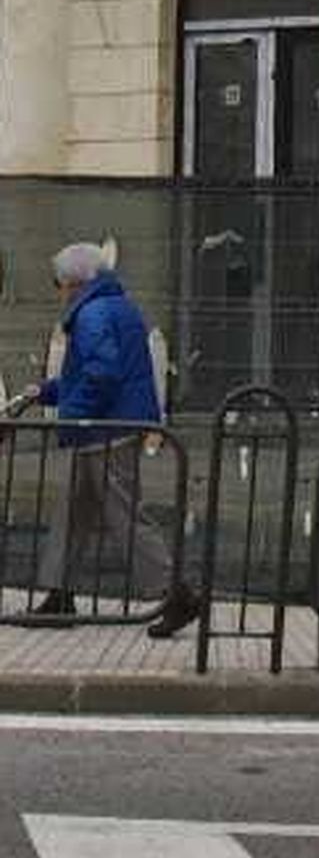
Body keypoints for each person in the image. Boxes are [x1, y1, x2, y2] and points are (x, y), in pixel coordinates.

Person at [17, 244, 200, 641]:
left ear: (74, 281)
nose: (58, 291)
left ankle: (175, 594)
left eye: (58, 282)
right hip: (105, 426)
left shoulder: (92, 313)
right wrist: (48, 391)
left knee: (124, 516)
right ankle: (59, 595)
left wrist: (70, 412)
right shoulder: (114, 305)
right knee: (72, 512)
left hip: (104, 430)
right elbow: (93, 372)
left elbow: (102, 373)